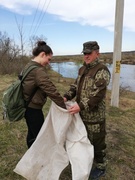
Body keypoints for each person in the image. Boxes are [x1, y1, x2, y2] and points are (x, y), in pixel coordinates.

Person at [63, 41, 111, 179]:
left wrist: (81, 105)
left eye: (89, 53)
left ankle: (101, 166)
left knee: (97, 142)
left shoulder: (102, 70)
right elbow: (74, 86)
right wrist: (66, 97)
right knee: (84, 142)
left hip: (95, 117)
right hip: (81, 115)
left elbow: (98, 93)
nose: (86, 56)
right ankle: (85, 163)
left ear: (97, 53)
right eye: (84, 53)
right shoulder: (82, 69)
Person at [22, 41, 66, 148]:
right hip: (33, 109)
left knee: (32, 132)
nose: (49, 62)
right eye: (48, 59)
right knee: (39, 136)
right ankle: (38, 159)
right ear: (42, 54)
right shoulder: (38, 70)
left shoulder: (29, 65)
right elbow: (50, 89)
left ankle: (31, 154)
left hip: (27, 105)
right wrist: (64, 107)